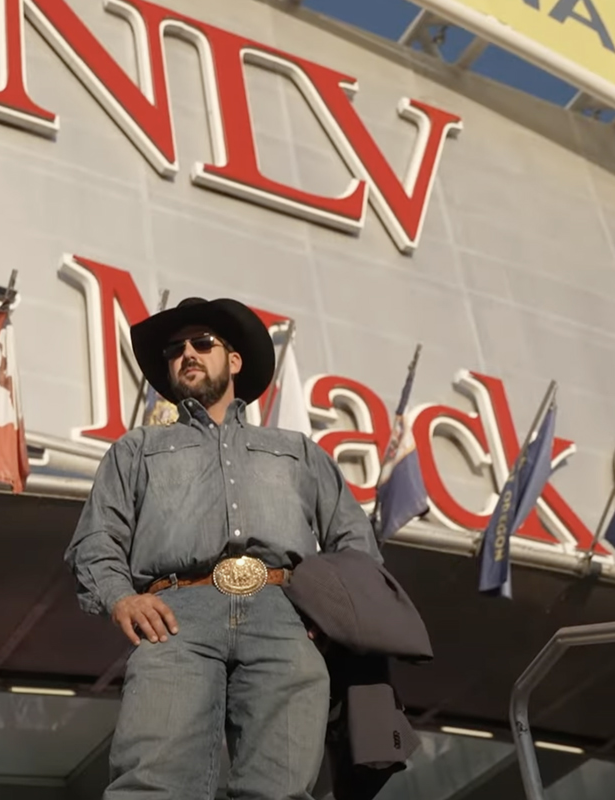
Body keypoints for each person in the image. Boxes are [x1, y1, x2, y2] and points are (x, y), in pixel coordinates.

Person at [64, 297, 383, 799]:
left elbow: (355, 542)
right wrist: (121, 597)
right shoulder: (137, 449)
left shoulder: (296, 450)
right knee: (151, 785)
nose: (186, 353)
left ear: (234, 361)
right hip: (176, 619)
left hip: (284, 617)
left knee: (279, 793)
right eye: (175, 349)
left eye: (202, 343)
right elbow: (97, 538)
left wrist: (331, 615)